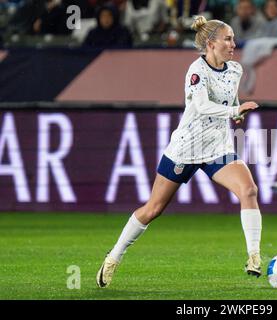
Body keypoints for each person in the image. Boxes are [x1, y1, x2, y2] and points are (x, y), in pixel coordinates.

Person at [96, 15, 262, 288]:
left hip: (217, 147)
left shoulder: (235, 70)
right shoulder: (196, 71)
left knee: (249, 190)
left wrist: (236, 110)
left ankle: (254, 256)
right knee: (153, 209)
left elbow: (231, 96)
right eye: (228, 39)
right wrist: (235, 110)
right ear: (211, 44)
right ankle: (114, 256)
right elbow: (201, 107)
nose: (234, 43)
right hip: (187, 146)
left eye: (233, 38)